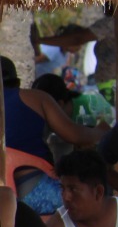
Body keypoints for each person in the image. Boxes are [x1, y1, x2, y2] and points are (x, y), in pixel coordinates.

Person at [3, 57, 105, 214]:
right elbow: (75, 136)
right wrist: (102, 131)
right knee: (97, 196)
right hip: (34, 190)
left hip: (4, 197)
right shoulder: (34, 97)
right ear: (15, 81)